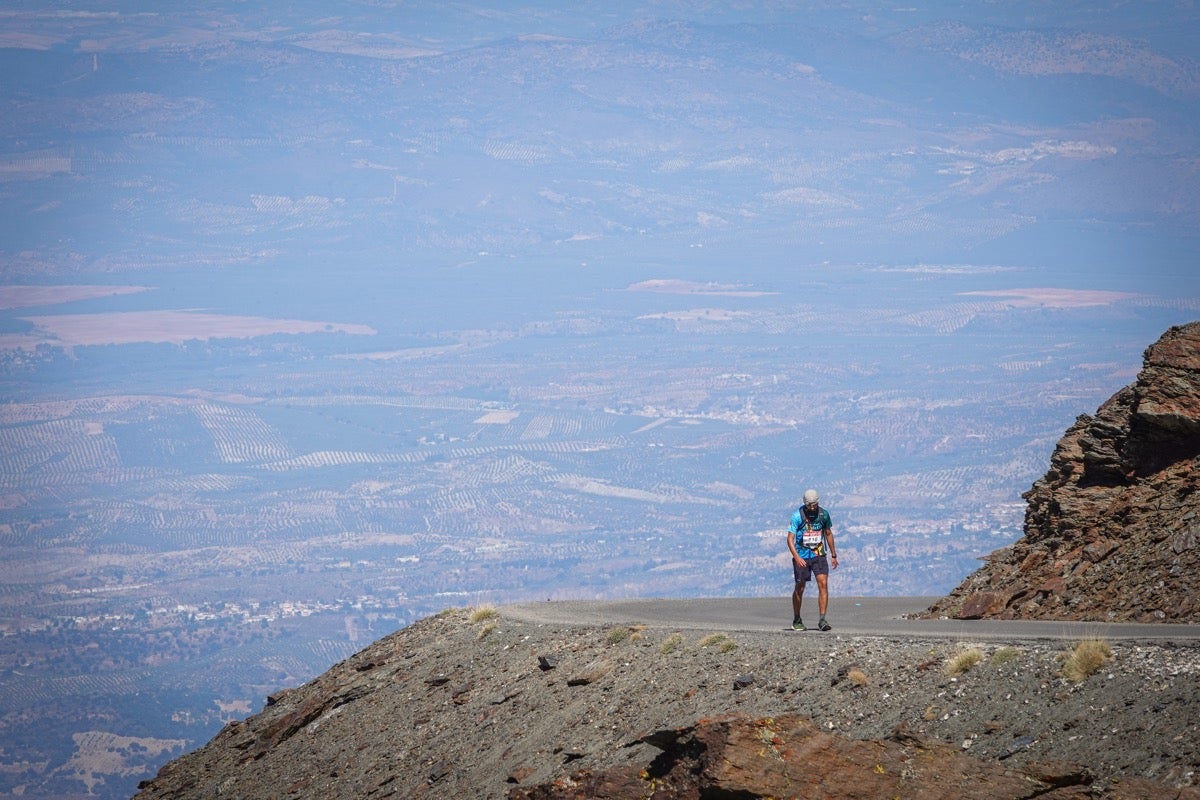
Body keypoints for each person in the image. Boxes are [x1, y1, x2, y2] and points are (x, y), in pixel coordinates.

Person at [787, 489, 838, 631]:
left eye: (814, 504)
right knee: (800, 588)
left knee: (823, 584)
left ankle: (822, 619)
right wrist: (796, 557)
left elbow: (828, 533)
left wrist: (833, 554)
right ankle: (797, 618)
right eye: (810, 505)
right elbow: (790, 539)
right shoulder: (797, 516)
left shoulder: (823, 515)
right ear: (805, 503)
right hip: (802, 557)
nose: (812, 507)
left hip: (819, 555)